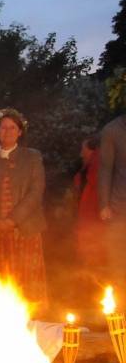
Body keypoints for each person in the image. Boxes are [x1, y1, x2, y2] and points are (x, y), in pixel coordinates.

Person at [0, 109, 47, 306]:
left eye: (12, 127)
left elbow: (36, 191)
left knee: (27, 283)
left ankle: (32, 324)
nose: (8, 131)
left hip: (26, 230)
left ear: (20, 131)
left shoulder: (32, 157)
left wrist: (14, 219)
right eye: (3, 127)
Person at [98, 111, 126, 289]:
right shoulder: (112, 130)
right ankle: (121, 311)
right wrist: (104, 204)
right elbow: (105, 168)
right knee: (119, 264)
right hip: (120, 205)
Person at [75, 134, 104, 271]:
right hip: (89, 223)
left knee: (94, 261)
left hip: (93, 225)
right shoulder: (90, 169)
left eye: (83, 149)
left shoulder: (96, 169)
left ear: (92, 150)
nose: (81, 154)